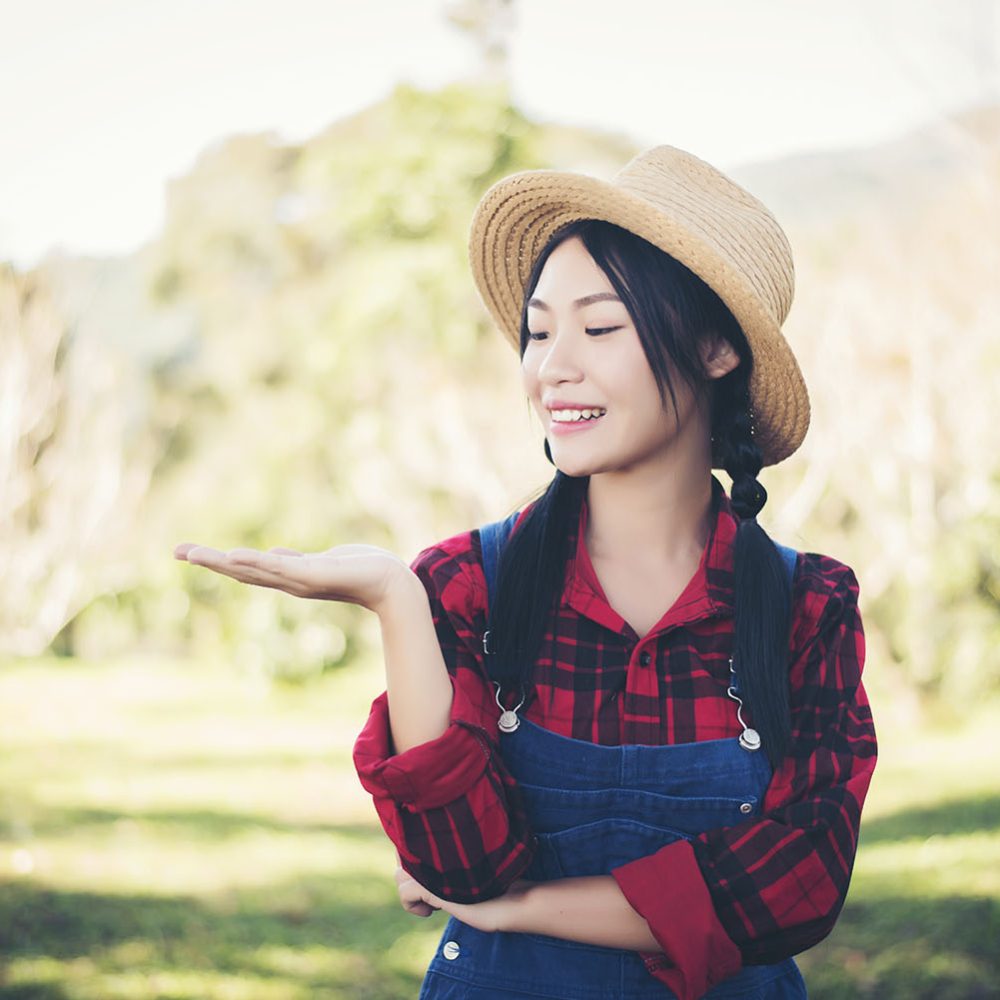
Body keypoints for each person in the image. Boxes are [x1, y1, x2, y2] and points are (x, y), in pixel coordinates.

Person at [175, 145, 877, 1000]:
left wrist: (522, 908)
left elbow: (794, 885)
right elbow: (462, 864)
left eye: (600, 326)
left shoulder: (809, 605)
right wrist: (396, 600)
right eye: (539, 331)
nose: (552, 367)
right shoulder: (468, 584)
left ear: (716, 349)